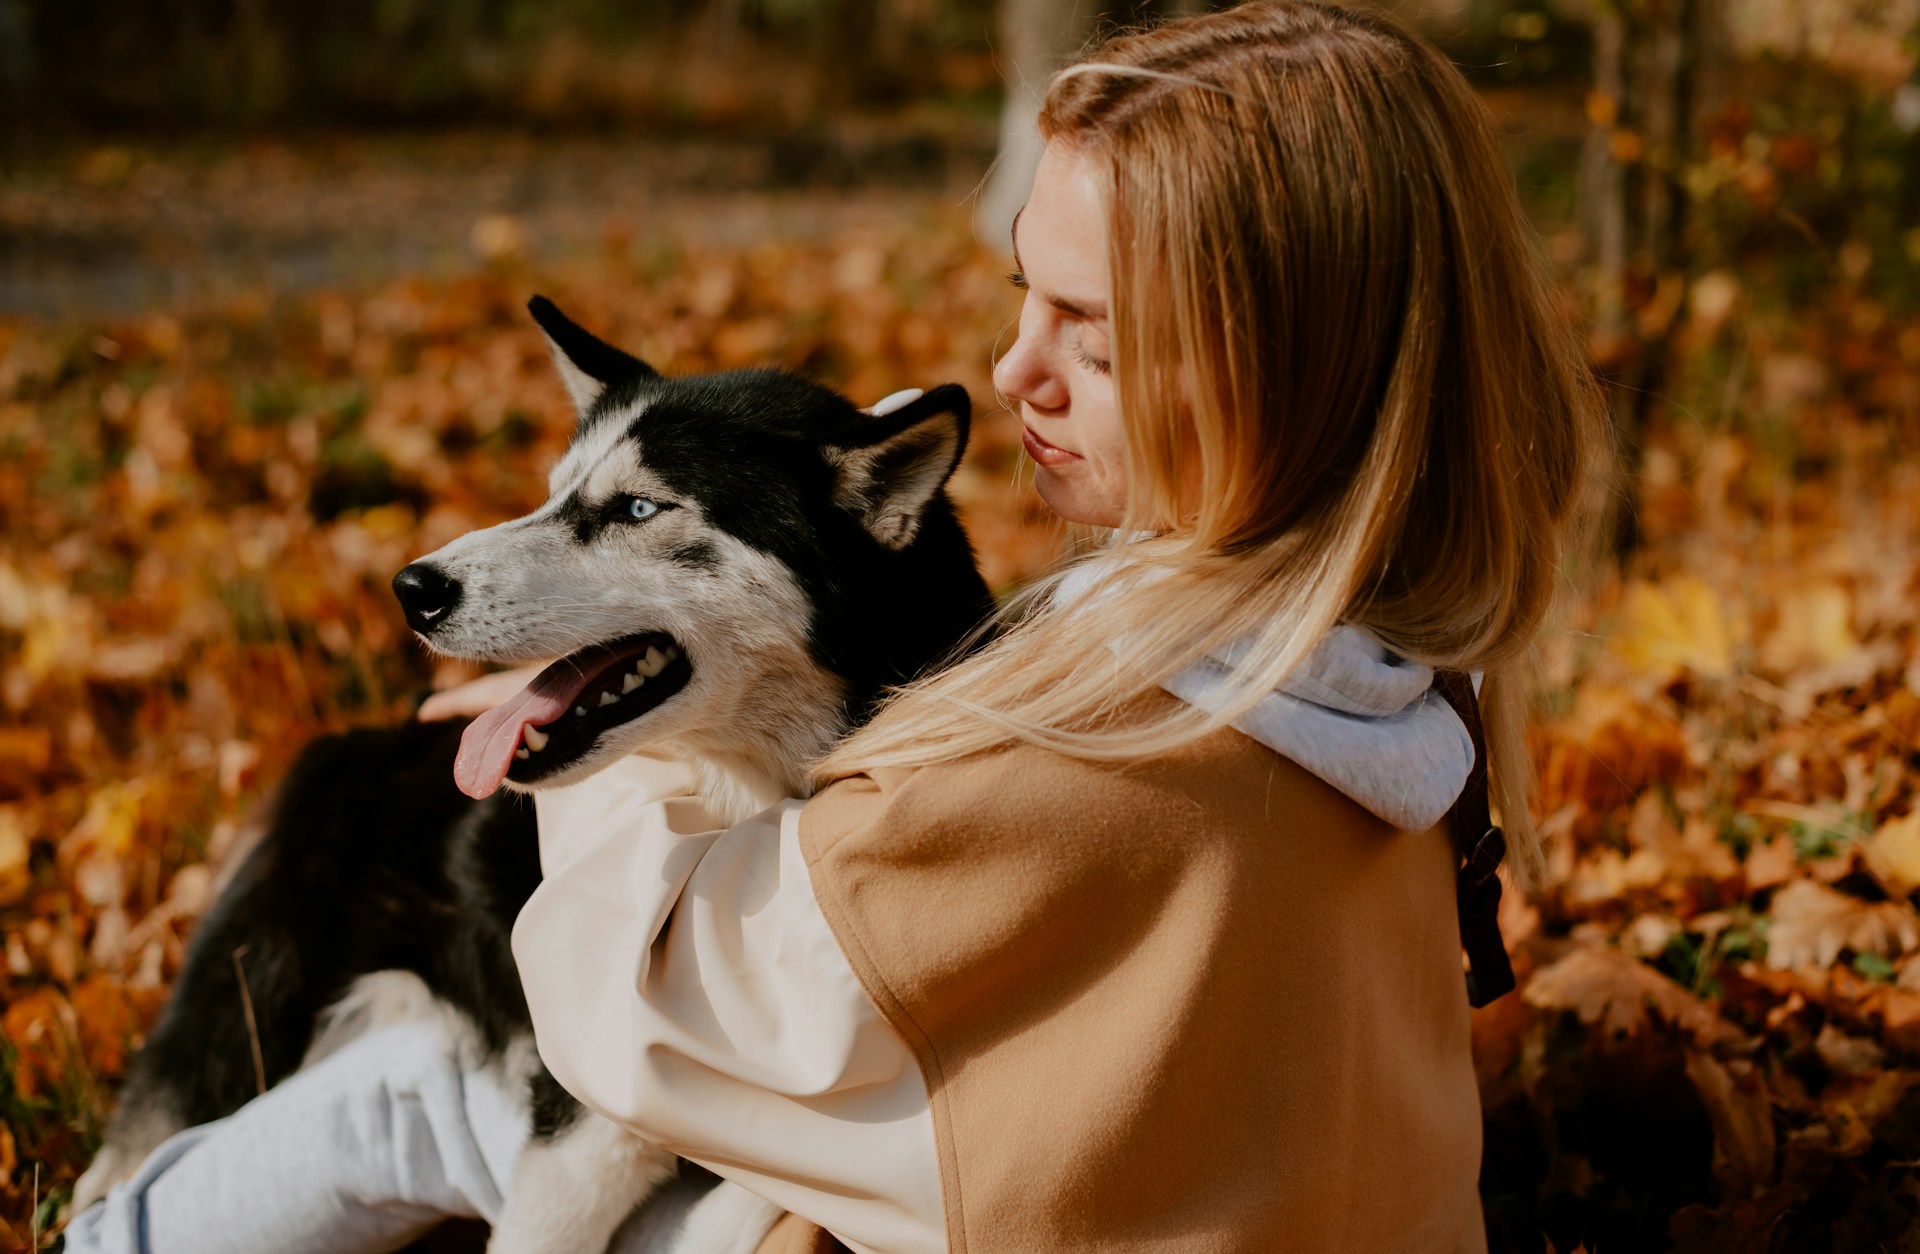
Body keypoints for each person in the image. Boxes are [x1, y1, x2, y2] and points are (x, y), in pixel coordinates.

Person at [61, 2, 1600, 1250]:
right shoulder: (1408, 662)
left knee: (411, 1089)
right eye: (1023, 299)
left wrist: (594, 745)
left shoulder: (1070, 750)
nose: (1013, 373)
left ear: (1294, 370)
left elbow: (635, 1014)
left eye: (1096, 339)